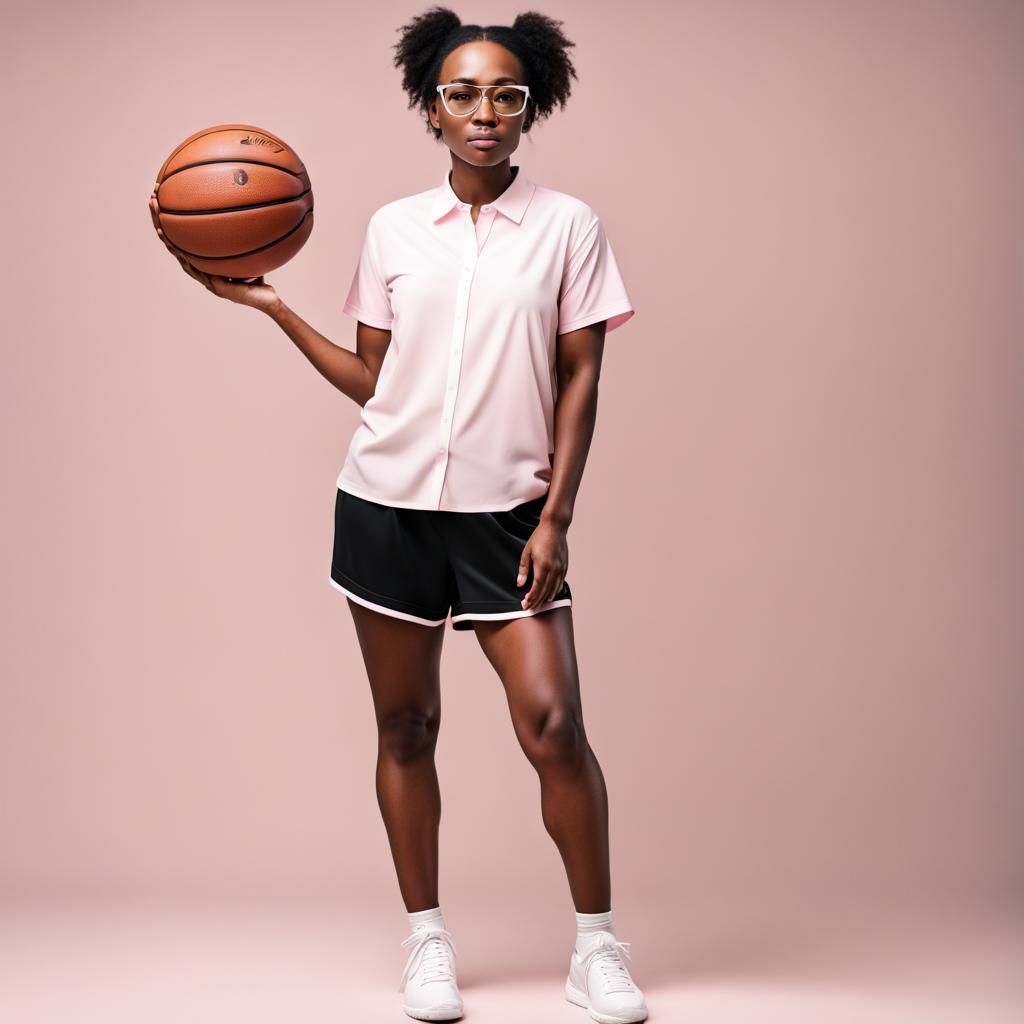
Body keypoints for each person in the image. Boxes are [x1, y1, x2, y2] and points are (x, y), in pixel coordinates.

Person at [149, 7, 646, 1022]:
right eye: (461, 93)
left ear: (530, 107)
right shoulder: (390, 229)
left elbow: (582, 379)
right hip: (384, 509)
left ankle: (597, 947)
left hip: (508, 518)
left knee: (554, 727)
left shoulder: (568, 228)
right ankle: (427, 940)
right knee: (406, 726)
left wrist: (554, 519)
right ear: (430, 106)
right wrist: (276, 308)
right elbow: (374, 377)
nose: (483, 112)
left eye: (506, 94)